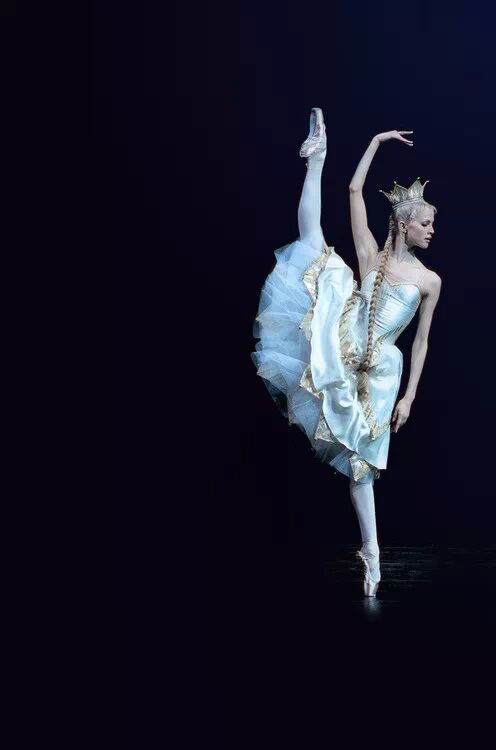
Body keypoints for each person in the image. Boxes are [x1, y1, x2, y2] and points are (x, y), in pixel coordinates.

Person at [251, 108, 442, 597]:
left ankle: (371, 556)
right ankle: (316, 158)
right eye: (425, 223)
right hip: (343, 340)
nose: (431, 231)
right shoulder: (372, 257)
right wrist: (375, 142)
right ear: (404, 224)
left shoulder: (429, 281)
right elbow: (355, 191)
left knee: (362, 464)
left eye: (431, 225)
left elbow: (421, 341)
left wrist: (410, 396)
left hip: (381, 370)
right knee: (313, 244)